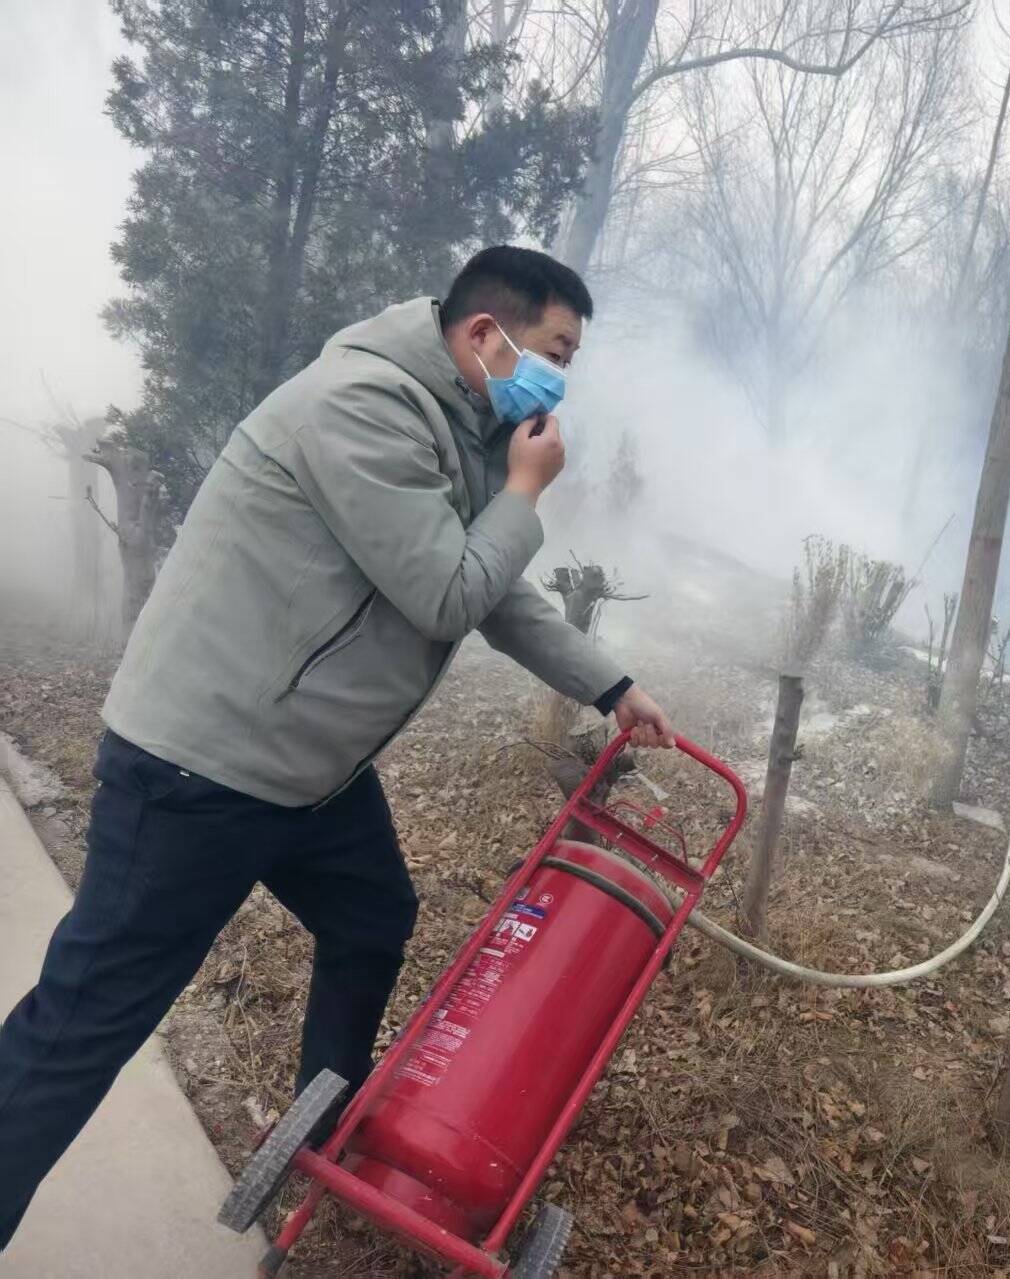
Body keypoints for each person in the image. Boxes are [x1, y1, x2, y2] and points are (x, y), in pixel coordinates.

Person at [0, 245, 675, 1249]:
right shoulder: (364, 405)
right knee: (88, 1019)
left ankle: (321, 1132)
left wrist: (609, 684)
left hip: (304, 775)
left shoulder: (467, 427)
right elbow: (447, 589)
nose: (559, 381)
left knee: (371, 915)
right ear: (484, 335)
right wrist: (526, 493)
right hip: (203, 762)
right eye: (554, 351)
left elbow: (489, 590)